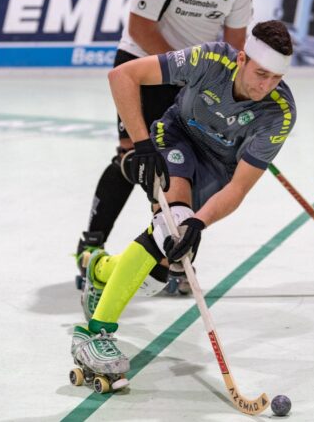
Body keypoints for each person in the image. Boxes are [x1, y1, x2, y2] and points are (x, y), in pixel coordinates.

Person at [70, 20, 297, 382]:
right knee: (170, 227)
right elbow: (122, 76)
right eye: (260, 74)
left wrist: (199, 221)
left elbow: (238, 188)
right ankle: (93, 334)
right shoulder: (210, 60)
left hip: (216, 170)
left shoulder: (280, 113)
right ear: (241, 59)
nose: (265, 86)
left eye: (275, 78)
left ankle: (99, 270)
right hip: (176, 138)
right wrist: (142, 144)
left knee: (158, 274)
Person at [72, 0, 252, 293]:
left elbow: (235, 42)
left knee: (187, 164)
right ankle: (91, 245)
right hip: (144, 64)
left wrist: (231, 89)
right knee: (133, 157)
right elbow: (139, 28)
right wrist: (183, 72)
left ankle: (176, 261)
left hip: (194, 76)